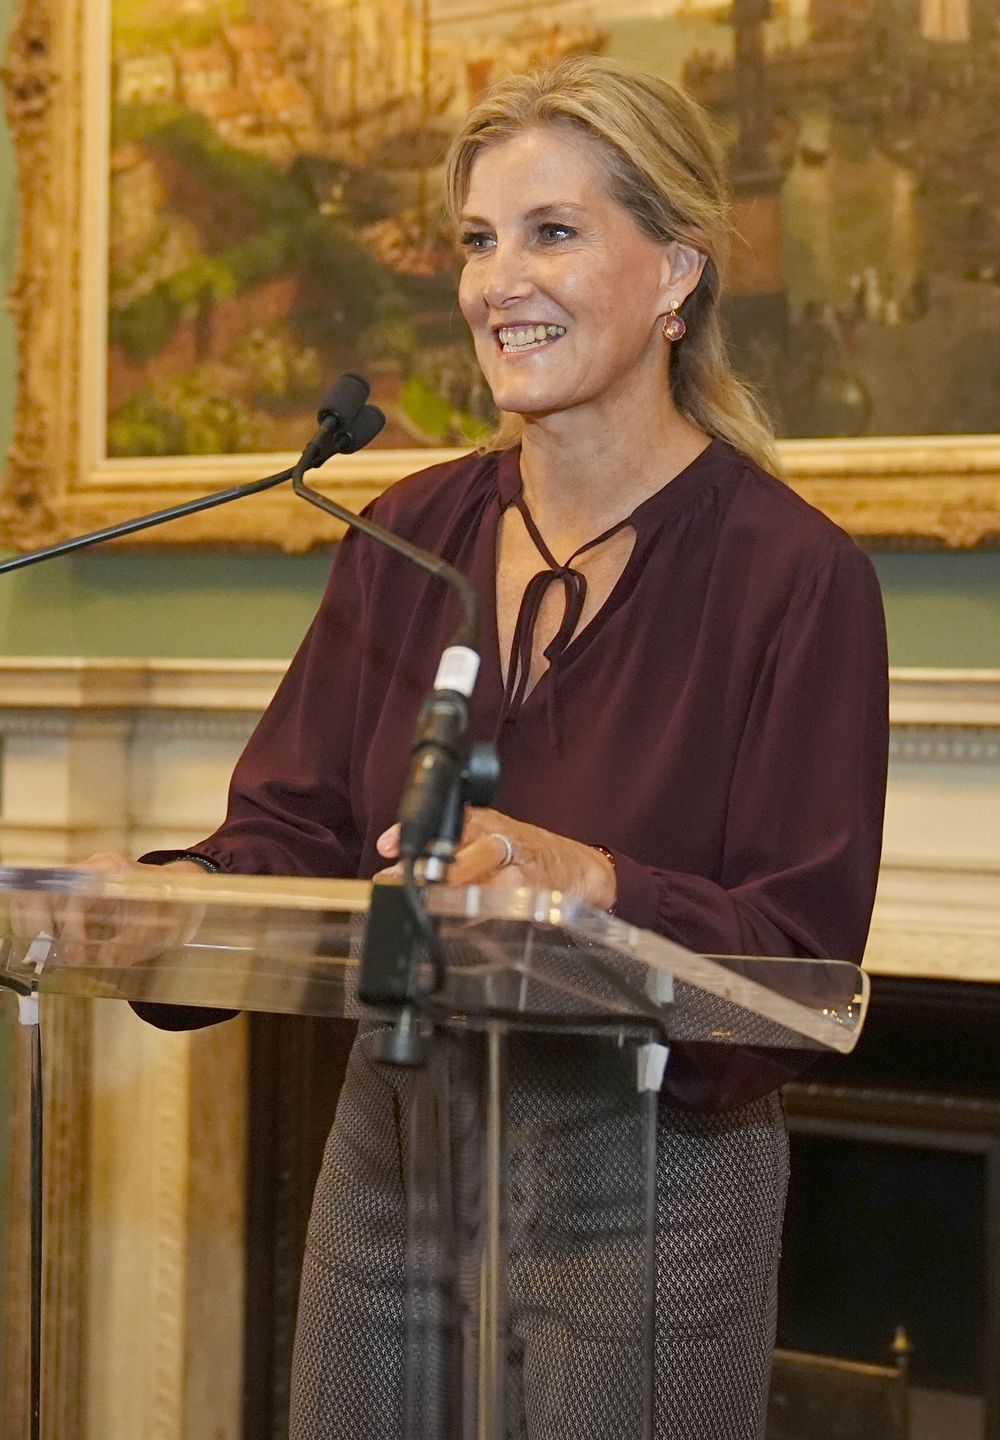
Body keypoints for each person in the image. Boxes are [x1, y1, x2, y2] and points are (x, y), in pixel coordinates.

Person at [105, 55, 888, 1439]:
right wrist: (158, 904)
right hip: (396, 1157)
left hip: (652, 1184)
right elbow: (287, 836)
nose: (495, 280)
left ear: (676, 278)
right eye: (478, 240)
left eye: (552, 233)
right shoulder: (409, 534)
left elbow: (802, 966)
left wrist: (588, 881)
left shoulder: (793, 575)